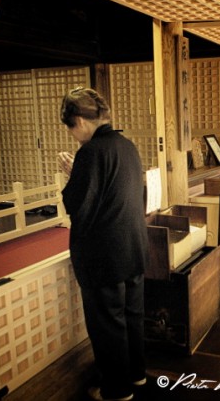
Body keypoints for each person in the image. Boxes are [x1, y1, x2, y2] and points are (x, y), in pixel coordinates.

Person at [58, 87, 148, 401]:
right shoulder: (127, 145)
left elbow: (78, 205)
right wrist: (80, 173)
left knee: (108, 324)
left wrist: (74, 175)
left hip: (104, 254)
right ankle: (136, 375)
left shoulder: (91, 151)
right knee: (132, 315)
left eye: (71, 127)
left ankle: (116, 390)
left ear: (80, 120)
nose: (73, 134)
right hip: (133, 246)